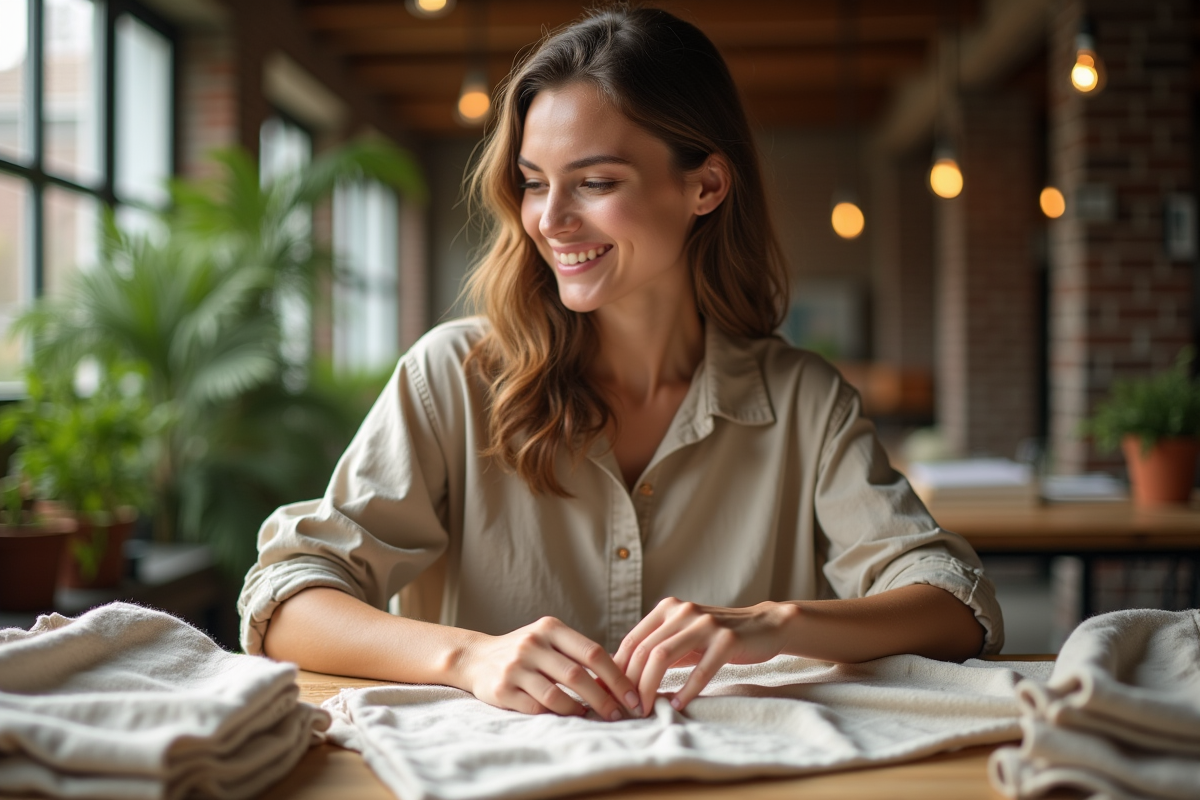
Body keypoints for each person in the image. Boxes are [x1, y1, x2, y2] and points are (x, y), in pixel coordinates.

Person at [240, 5, 1003, 724]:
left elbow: (955, 606)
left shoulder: (803, 399)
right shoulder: (451, 375)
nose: (549, 218)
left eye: (596, 183)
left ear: (704, 185)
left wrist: (774, 625)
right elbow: (285, 596)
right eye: (535, 182)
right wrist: (469, 657)